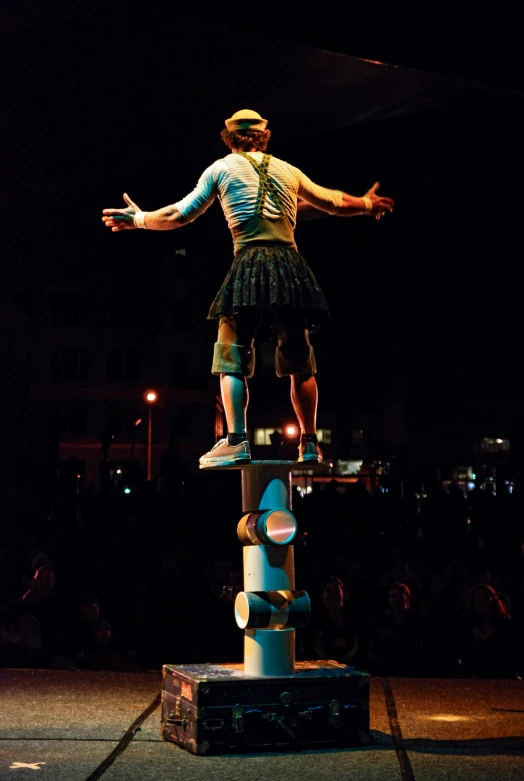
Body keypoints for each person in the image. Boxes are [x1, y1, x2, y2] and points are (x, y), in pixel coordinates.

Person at [102, 109, 394, 466]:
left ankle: (237, 439)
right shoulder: (287, 170)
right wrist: (366, 204)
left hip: (250, 263)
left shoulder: (221, 169)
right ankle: (309, 442)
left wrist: (138, 219)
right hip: (290, 265)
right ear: (264, 136)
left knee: (231, 353)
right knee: (299, 357)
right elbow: (331, 200)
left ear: (228, 138)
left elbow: (181, 214)